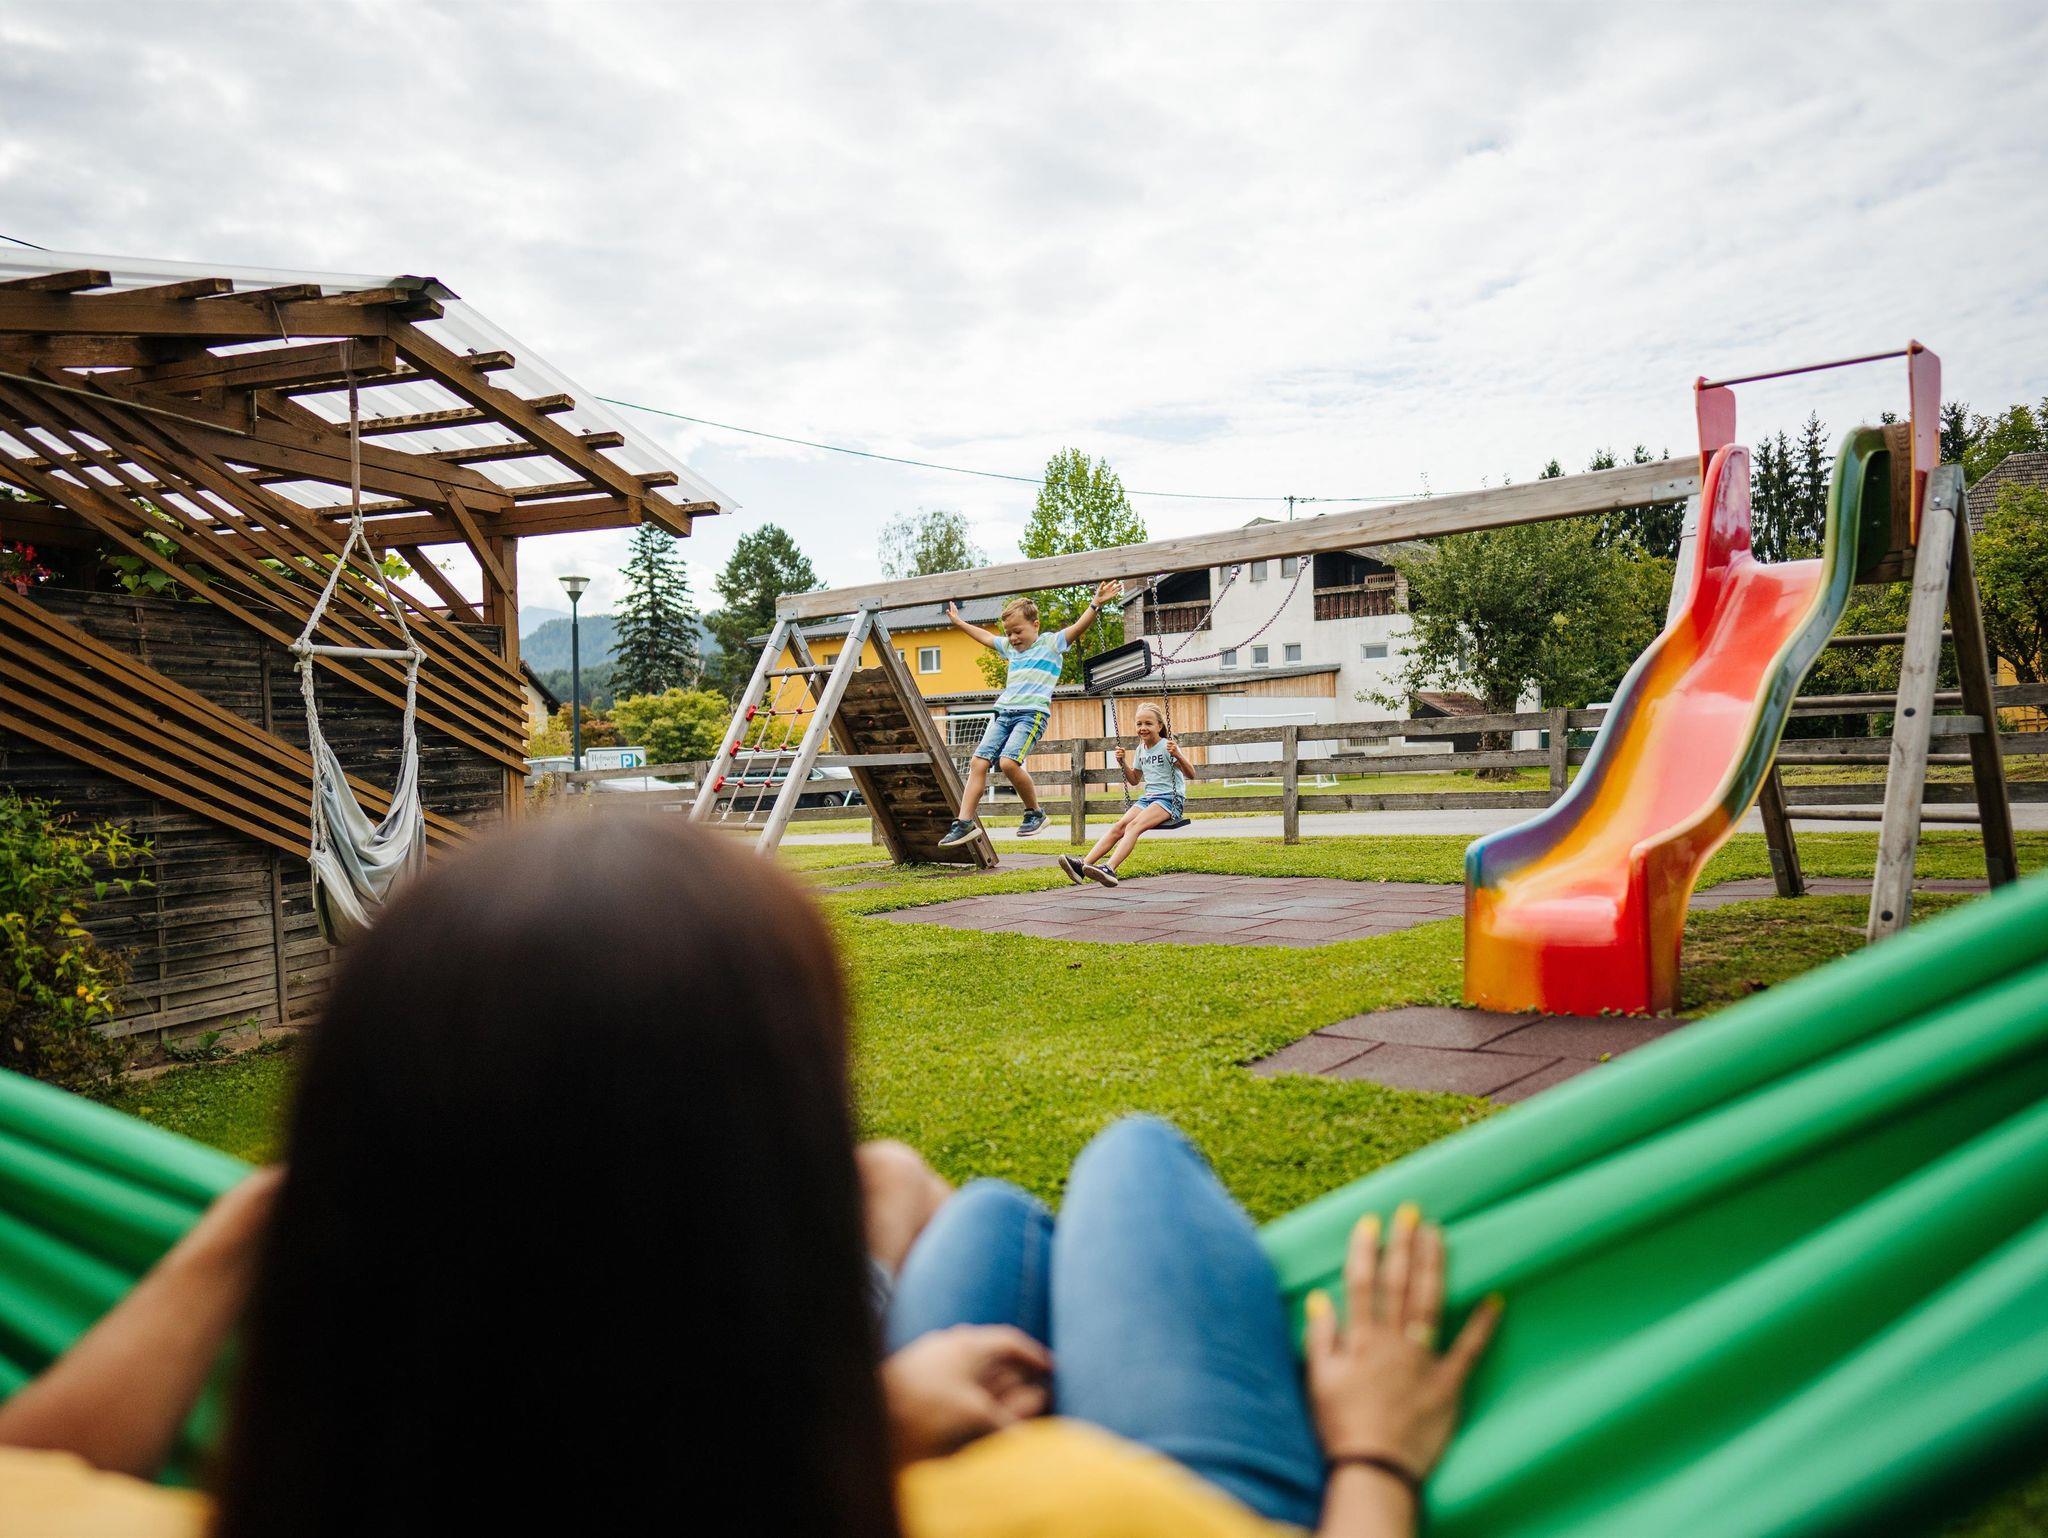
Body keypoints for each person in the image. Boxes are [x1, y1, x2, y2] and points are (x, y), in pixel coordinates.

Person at [0, 817, 1496, 1538]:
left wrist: (290, 1205)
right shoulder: (1072, 1507)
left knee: (975, 1215)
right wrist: (1372, 1457)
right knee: (1129, 1161)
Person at [938, 581, 1122, 847]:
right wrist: (959, 622)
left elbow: (1077, 628)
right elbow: (985, 637)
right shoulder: (1010, 649)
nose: (1013, 638)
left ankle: (1035, 812)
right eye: (1009, 633)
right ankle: (964, 822)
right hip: (1004, 713)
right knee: (978, 762)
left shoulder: (1051, 643)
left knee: (1008, 763)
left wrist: (1095, 604)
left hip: (1031, 714)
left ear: (1035, 625)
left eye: (1018, 631)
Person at [1060, 701, 1194, 887]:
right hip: (1148, 798)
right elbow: (1134, 780)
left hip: (1169, 799)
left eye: (1148, 723)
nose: (1143, 728)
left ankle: (1110, 868)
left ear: (1159, 726)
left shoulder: (1167, 746)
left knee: (1133, 826)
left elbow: (1191, 774)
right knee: (1119, 826)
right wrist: (1122, 762)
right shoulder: (1140, 750)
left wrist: (1178, 755)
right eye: (1139, 724)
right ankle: (1082, 865)